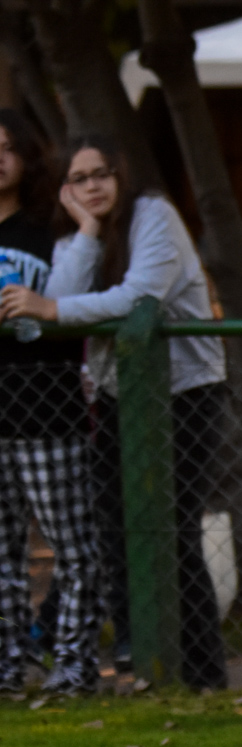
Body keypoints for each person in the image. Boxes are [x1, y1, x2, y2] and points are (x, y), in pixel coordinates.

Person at [1, 134, 230, 690]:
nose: (91, 187)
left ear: (122, 176)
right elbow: (60, 293)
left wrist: (54, 308)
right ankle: (138, 658)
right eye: (78, 179)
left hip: (184, 391)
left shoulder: (154, 216)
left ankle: (200, 671)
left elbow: (139, 297)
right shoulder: (77, 232)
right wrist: (84, 231)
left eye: (100, 174)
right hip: (114, 394)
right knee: (113, 530)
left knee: (170, 529)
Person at [0, 110, 97, 694]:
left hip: (47, 414)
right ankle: (8, 666)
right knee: (2, 556)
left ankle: (74, 666)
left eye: (8, 147)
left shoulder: (49, 231)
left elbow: (74, 300)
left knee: (74, 548)